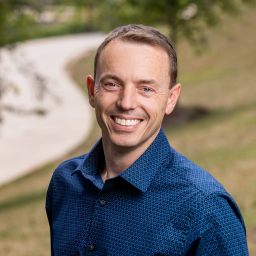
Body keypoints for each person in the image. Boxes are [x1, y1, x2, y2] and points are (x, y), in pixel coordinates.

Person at [46, 24, 249, 255]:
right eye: (112, 84)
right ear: (92, 91)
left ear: (171, 99)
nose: (126, 102)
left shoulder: (206, 207)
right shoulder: (64, 183)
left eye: (146, 89)